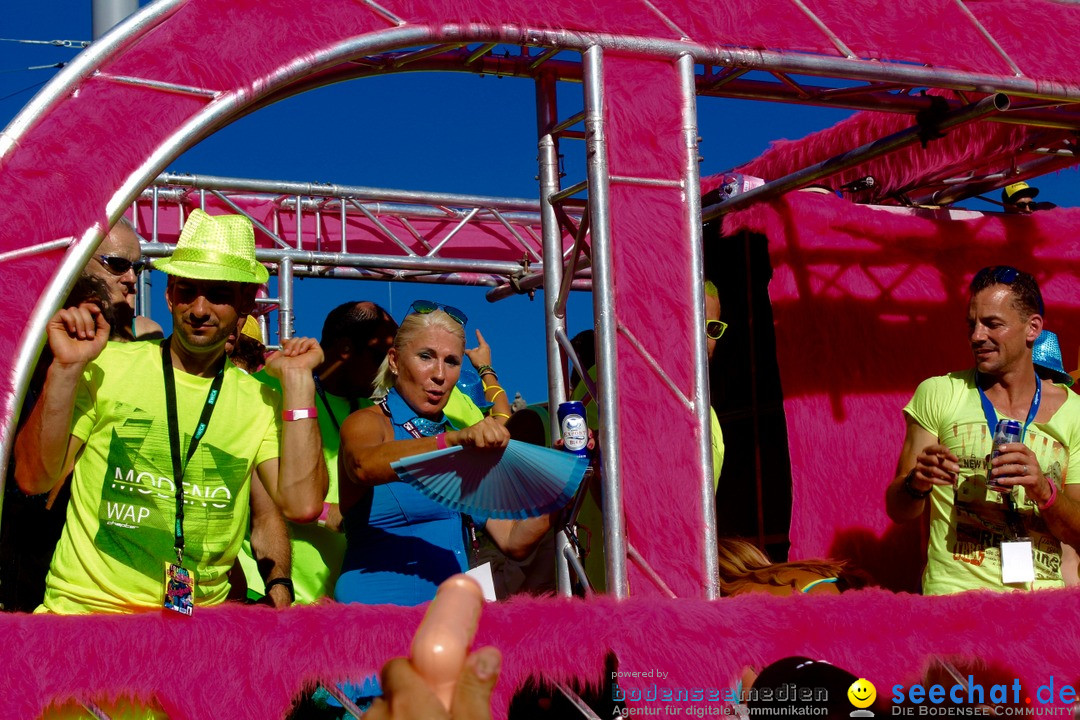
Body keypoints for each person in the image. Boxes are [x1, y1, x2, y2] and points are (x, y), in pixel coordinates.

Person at [13, 208, 327, 614]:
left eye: (218, 294)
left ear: (246, 303)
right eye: (187, 290)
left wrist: (300, 385)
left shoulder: (258, 400)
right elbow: (33, 477)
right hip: (86, 622)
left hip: (191, 642)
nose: (199, 308)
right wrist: (67, 369)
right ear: (168, 292)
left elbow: (302, 505)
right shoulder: (108, 364)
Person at [335, 303, 552, 607]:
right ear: (395, 361)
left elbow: (514, 540)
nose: (439, 374)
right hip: (376, 623)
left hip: (449, 626)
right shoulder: (369, 422)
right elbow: (363, 465)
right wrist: (451, 442)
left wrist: (563, 477)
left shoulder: (462, 440)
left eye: (451, 361)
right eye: (426, 357)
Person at [886, 266, 1080, 594]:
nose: (977, 336)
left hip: (1041, 613)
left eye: (992, 324)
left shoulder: (1074, 413)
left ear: (1032, 328)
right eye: (972, 324)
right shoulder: (939, 393)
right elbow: (898, 509)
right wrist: (916, 482)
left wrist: (1043, 490)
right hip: (955, 604)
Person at [81, 217, 163, 341]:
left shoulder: (145, 332)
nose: (132, 278)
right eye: (119, 264)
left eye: (137, 268)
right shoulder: (45, 319)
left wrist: (122, 329)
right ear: (80, 263)